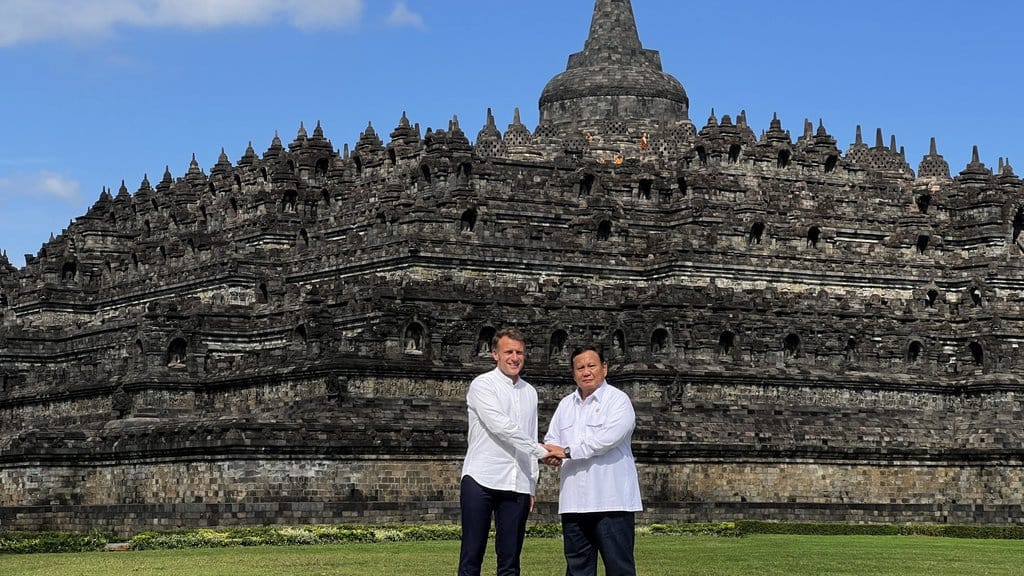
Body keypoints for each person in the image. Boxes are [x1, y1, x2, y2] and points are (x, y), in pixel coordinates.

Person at [458, 327, 554, 576]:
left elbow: (530, 434)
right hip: (482, 477)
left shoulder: (530, 392)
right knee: (472, 554)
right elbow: (501, 426)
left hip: (517, 481)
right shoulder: (482, 385)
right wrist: (541, 451)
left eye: (519, 352)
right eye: (508, 352)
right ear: (495, 355)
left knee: (510, 559)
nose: (514, 357)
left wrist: (531, 484)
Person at [543, 345, 642, 576]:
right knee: (578, 569)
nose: (586, 372)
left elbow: (606, 439)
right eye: (580, 367)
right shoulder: (565, 405)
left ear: (604, 369)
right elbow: (551, 438)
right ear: (573, 373)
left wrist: (566, 452)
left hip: (611, 501)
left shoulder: (618, 401)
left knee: (619, 569)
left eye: (591, 366)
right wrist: (551, 454)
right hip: (574, 502)